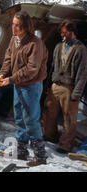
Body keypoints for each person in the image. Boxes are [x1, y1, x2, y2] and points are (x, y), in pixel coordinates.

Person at [0, 11, 48, 167]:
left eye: (18, 25)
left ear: (26, 27)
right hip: (19, 84)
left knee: (31, 119)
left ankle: (40, 156)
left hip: (31, 86)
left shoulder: (35, 43)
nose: (14, 28)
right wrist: (2, 73)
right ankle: (22, 151)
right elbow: (8, 58)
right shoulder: (14, 40)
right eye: (13, 24)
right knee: (19, 117)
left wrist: (10, 79)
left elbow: (32, 69)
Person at [42, 20, 87, 153]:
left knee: (69, 118)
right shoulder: (58, 47)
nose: (61, 34)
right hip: (55, 85)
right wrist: (48, 85)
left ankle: (66, 144)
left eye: (64, 31)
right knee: (49, 112)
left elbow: (83, 73)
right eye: (61, 32)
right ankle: (50, 135)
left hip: (70, 88)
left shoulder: (81, 49)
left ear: (71, 31)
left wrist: (76, 93)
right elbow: (52, 68)